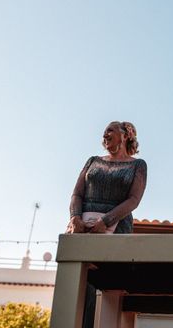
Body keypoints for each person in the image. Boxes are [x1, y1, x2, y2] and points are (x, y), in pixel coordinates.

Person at [67, 121, 147, 328]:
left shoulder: (138, 165)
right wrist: (75, 217)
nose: (105, 133)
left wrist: (107, 220)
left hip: (117, 227)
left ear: (126, 135)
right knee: (79, 285)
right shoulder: (92, 161)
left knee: (112, 285)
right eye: (104, 130)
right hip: (82, 228)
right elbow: (77, 193)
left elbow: (133, 200)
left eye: (111, 129)